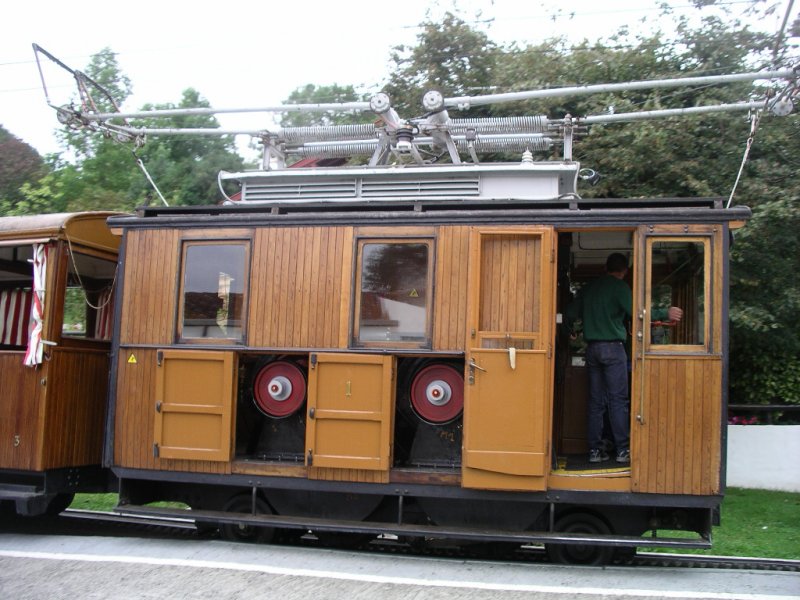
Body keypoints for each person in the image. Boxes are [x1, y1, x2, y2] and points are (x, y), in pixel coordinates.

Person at [565, 253, 682, 464]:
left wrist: (569, 330)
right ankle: (622, 451)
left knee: (595, 402)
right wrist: (665, 312)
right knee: (618, 400)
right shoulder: (620, 288)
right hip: (613, 349)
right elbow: (637, 313)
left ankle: (594, 451)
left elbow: (570, 312)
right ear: (624, 271)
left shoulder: (590, 288)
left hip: (592, 350)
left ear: (605, 267)